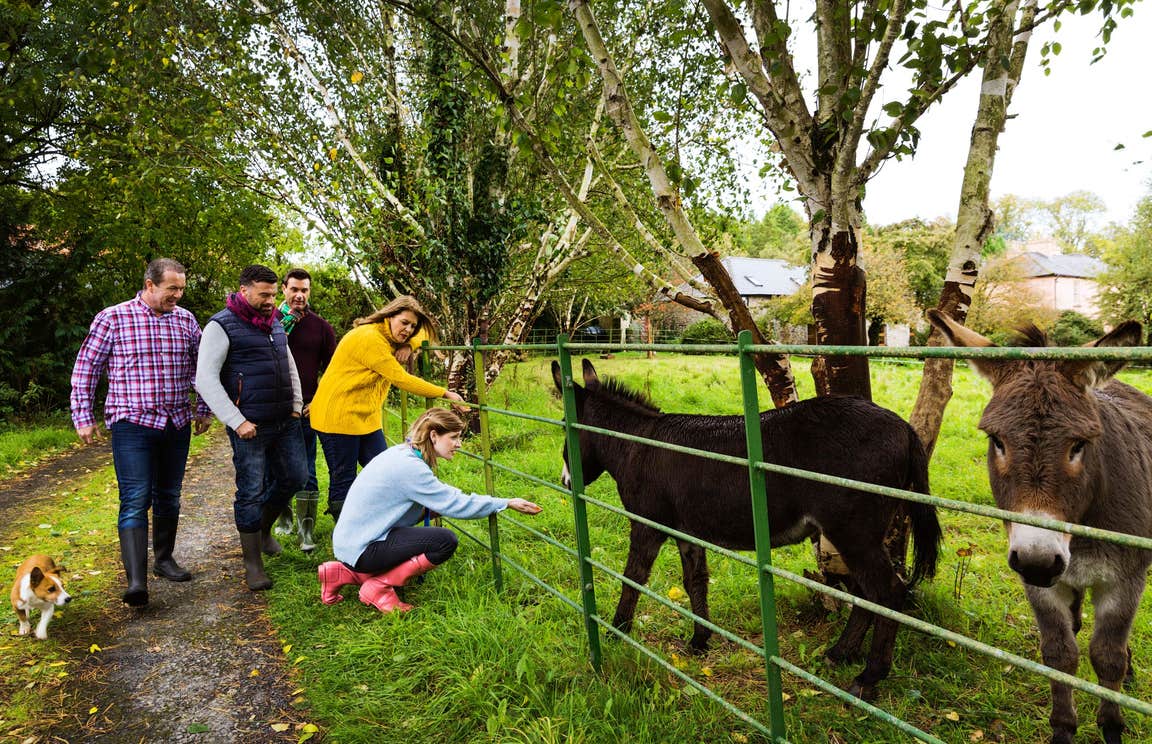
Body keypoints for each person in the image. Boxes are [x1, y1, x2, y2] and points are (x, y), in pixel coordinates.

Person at [70, 258, 213, 607]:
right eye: (171, 289)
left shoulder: (186, 320)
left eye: (181, 289)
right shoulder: (113, 317)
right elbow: (86, 368)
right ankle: (136, 582)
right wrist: (83, 415)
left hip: (176, 423)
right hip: (132, 424)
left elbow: (200, 368)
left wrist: (204, 408)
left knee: (170, 495)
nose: (177, 295)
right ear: (150, 285)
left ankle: (164, 561)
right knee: (135, 498)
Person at [318, 408, 542, 612]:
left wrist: (432, 509)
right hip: (363, 548)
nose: (459, 444)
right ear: (433, 436)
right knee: (444, 541)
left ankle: (340, 573)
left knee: (421, 534)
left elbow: (405, 507)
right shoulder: (411, 468)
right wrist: (504, 502)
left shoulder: (402, 453)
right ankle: (380, 586)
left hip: (351, 543)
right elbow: (456, 504)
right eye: (453, 437)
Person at [195, 264, 307, 591]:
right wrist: (237, 421)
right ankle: (253, 564)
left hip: (285, 420)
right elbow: (205, 379)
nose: (272, 300)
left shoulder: (274, 322)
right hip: (250, 426)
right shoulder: (221, 325)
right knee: (251, 490)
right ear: (244, 290)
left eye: (274, 294)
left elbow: (288, 364)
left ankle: (264, 530)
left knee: (295, 477)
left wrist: (297, 404)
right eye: (264, 294)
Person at [309, 296, 464, 523]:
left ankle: (385, 521)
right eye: (404, 323)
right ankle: (346, 538)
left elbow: (424, 333)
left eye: (412, 326)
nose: (408, 329)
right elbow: (401, 379)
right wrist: (444, 392)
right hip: (337, 417)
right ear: (389, 316)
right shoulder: (370, 338)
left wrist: (408, 344)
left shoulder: (391, 334)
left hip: (366, 418)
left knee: (389, 469)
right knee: (344, 478)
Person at [268, 268, 336, 553]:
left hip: (307, 409)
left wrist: (318, 401)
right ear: (284, 289)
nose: (299, 295)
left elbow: (333, 371)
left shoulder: (321, 327)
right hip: (271, 408)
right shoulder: (267, 321)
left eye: (304, 290)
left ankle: (306, 531)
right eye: (294, 289)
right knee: (275, 467)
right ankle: (282, 518)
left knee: (307, 468)